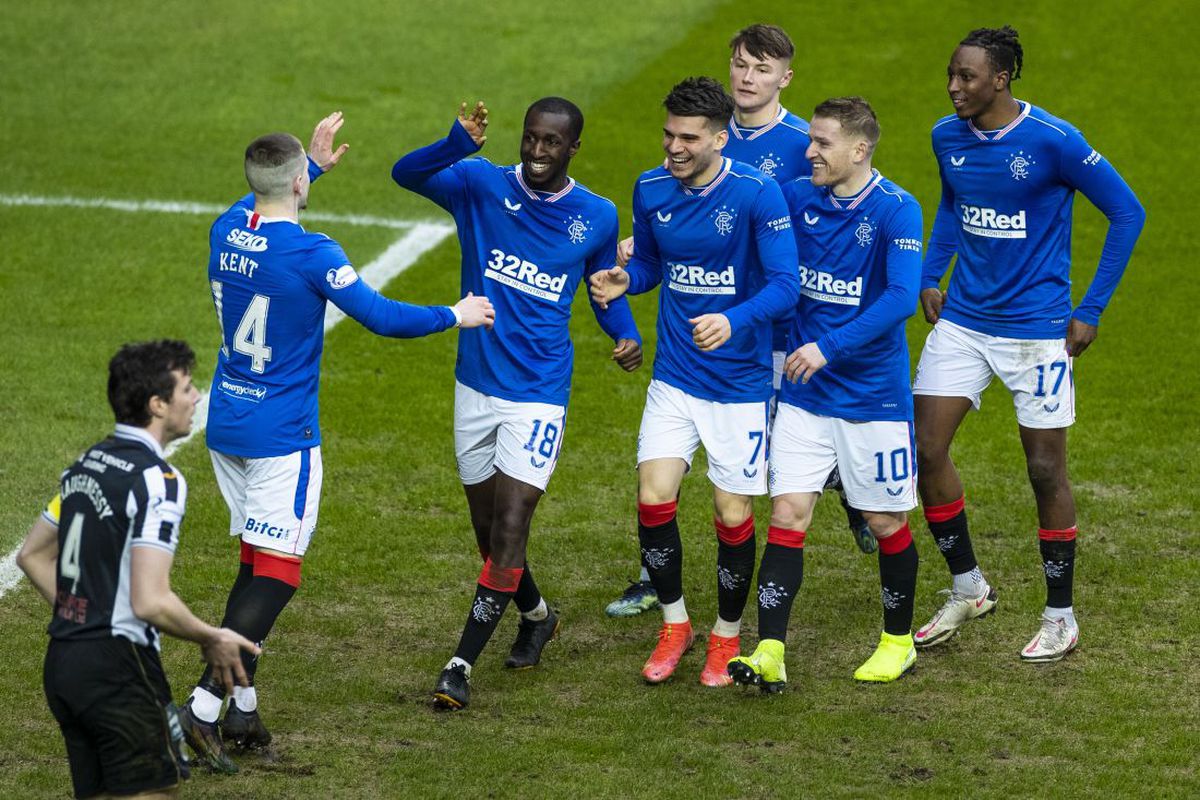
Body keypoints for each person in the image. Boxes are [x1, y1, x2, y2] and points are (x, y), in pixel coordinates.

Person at [182, 113, 494, 769]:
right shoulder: (314, 252)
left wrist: (311, 165)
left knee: (253, 560)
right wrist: (455, 314)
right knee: (278, 574)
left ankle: (240, 710)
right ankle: (202, 710)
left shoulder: (225, 229)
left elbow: (257, 196)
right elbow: (381, 317)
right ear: (298, 182)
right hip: (282, 434)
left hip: (227, 422)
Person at [602, 24, 869, 620]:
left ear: (785, 78)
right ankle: (654, 575)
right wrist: (650, 248)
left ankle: (844, 492)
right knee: (671, 465)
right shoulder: (694, 136)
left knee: (766, 458)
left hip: (779, 322)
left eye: (762, 69)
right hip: (707, 330)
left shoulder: (806, 143)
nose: (748, 79)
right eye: (740, 66)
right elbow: (678, 216)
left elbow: (832, 225)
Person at [392, 97, 643, 710]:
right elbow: (407, 173)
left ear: (572, 149)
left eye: (550, 143)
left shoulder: (597, 215)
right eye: (530, 138)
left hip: (538, 395)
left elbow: (601, 285)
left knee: (510, 526)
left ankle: (459, 666)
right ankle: (537, 616)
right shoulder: (480, 184)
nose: (535, 152)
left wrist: (625, 332)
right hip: (474, 384)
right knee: (487, 532)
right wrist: (457, 142)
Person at [912, 26, 1145, 661]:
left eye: (967, 77)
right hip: (962, 323)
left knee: (1045, 469)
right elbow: (954, 207)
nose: (954, 87)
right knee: (925, 450)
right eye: (952, 75)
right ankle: (969, 587)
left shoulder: (1054, 141)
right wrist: (933, 273)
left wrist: (1089, 309)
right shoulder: (946, 136)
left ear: (1001, 79)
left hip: (1038, 334)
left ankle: (1060, 615)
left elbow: (1128, 212)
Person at [590, 76, 799, 686]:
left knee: (731, 510)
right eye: (667, 135)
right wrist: (632, 281)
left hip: (738, 385)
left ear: (719, 137)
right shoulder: (651, 188)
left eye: (687, 138)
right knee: (654, 496)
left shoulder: (759, 194)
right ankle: (675, 623)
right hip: (675, 376)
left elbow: (786, 286)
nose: (672, 148)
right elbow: (654, 260)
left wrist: (733, 321)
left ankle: (726, 635)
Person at [726, 98, 924, 692]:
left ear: (859, 151)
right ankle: (769, 650)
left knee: (885, 521)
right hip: (805, 397)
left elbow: (900, 300)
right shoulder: (796, 196)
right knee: (787, 513)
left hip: (872, 400)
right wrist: (643, 248)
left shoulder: (898, 211)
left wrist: (826, 347)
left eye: (822, 144)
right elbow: (736, 221)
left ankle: (898, 642)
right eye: (810, 141)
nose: (808, 152)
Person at [17, 340, 260, 799]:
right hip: (118, 669)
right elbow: (150, 600)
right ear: (157, 404)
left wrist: (82, 614)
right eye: (187, 389)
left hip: (65, 663)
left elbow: (32, 554)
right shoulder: (158, 480)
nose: (197, 398)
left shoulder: (84, 464)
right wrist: (212, 637)